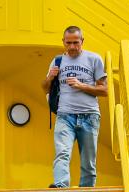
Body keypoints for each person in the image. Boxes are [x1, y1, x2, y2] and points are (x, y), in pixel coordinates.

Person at [41, 26, 108, 188]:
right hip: (65, 115)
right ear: (63, 42)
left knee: (88, 163)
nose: (72, 47)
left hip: (90, 116)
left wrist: (81, 85)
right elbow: (45, 88)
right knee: (62, 154)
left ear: (82, 42)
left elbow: (104, 90)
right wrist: (49, 78)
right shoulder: (57, 61)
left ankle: (86, 189)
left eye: (76, 43)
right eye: (68, 43)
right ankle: (61, 186)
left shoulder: (94, 59)